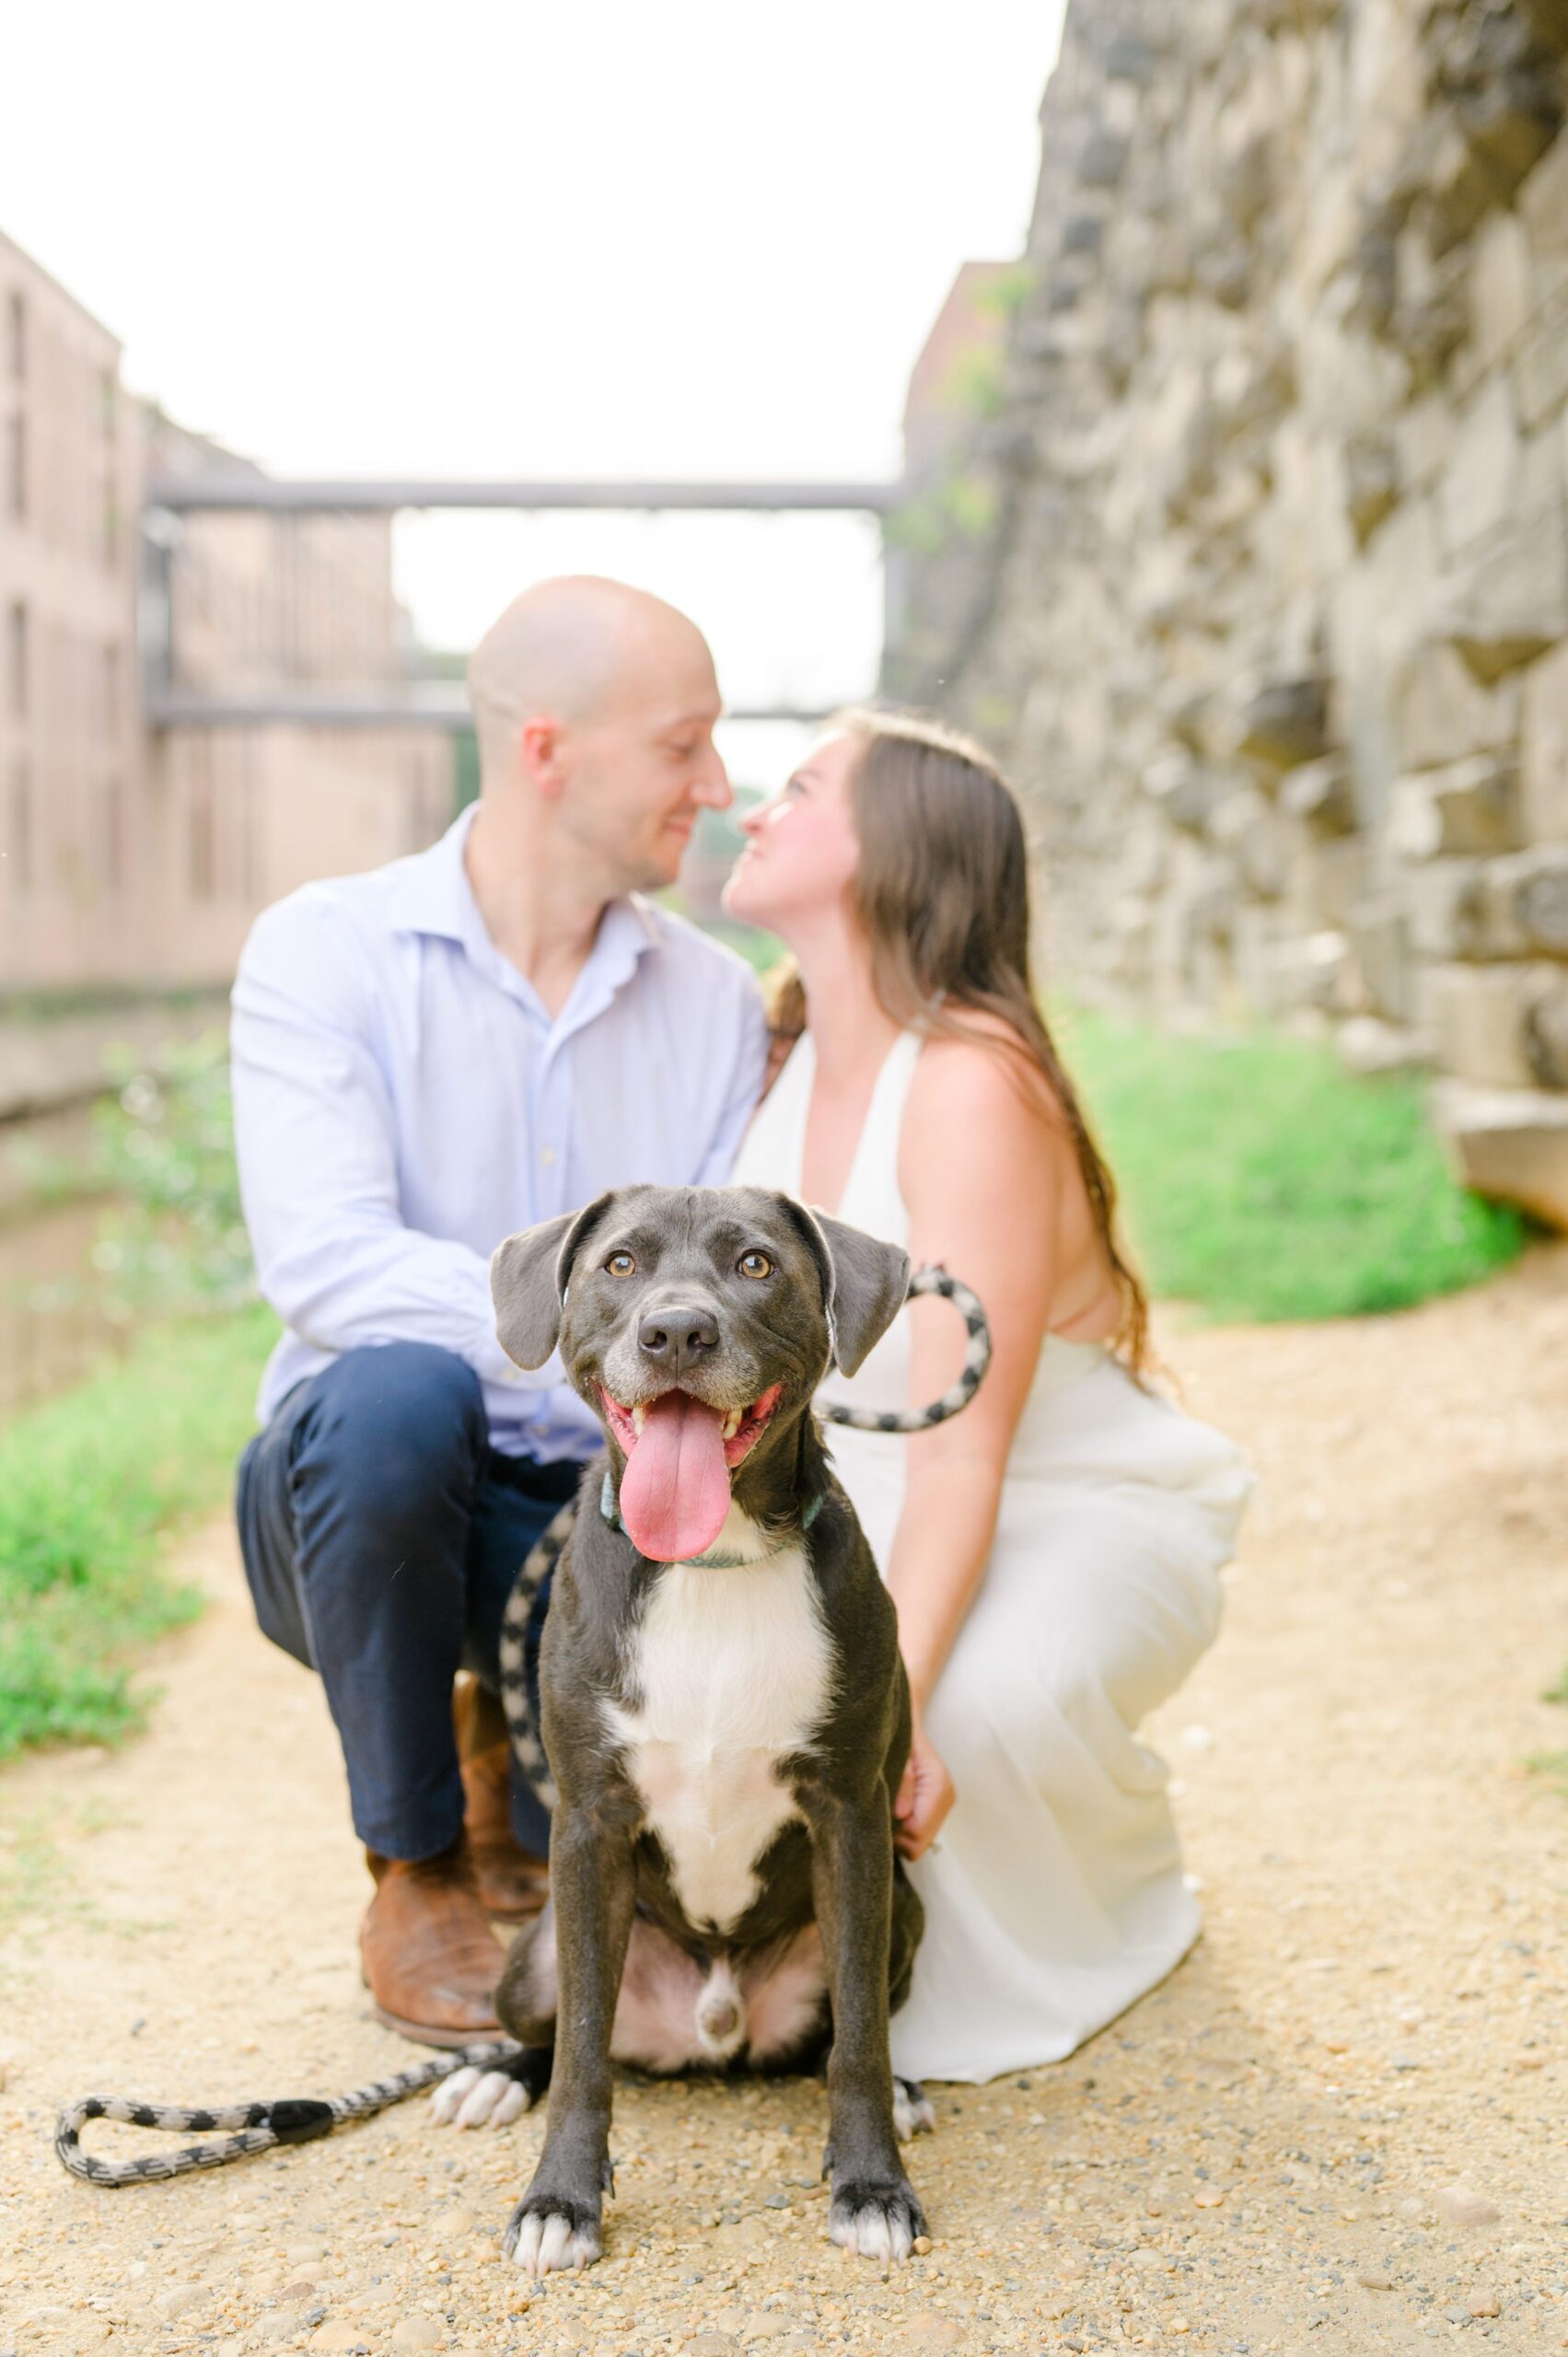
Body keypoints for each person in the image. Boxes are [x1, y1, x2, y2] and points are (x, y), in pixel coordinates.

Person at [230, 577, 768, 2046]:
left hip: (618, 1523)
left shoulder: (715, 1005)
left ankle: (507, 1736)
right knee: (396, 1391)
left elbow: (729, 1304)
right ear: (547, 749)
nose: (717, 788)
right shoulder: (324, 951)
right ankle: (412, 1868)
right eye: (683, 746)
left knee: (595, 1857)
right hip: (364, 1511)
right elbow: (325, 1264)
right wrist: (587, 1314)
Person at [725, 709, 1253, 2084]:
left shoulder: (970, 1085)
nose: (751, 811)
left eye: (796, 790)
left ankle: (1111, 1880)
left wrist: (883, 1713)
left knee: (971, 1707)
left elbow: (960, 1458)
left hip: (1060, 1499)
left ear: (896, 849)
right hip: (866, 1490)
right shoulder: (779, 1069)